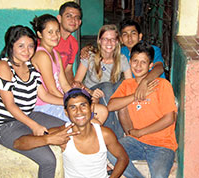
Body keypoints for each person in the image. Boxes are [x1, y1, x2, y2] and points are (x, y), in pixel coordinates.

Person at [0, 25, 80, 178]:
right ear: (11, 46)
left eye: (31, 46)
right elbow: (9, 105)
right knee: (48, 160)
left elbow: (44, 96)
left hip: (29, 115)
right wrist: (34, 126)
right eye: (21, 46)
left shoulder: (30, 66)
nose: (27, 50)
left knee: (71, 129)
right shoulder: (3, 66)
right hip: (6, 124)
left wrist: (69, 103)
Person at [14, 88, 129, 178]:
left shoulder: (104, 134)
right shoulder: (62, 133)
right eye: (72, 107)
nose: (79, 112)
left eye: (83, 105)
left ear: (91, 108)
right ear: (66, 113)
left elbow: (123, 158)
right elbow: (18, 143)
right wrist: (47, 139)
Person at [107, 42, 178, 178]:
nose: (138, 66)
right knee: (109, 149)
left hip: (162, 145)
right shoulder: (127, 85)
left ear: (150, 66)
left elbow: (169, 118)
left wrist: (140, 132)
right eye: (135, 61)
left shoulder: (162, 85)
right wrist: (135, 96)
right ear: (130, 62)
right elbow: (111, 106)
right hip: (135, 142)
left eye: (143, 62)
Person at [74, 24, 132, 139]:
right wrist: (90, 92)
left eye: (112, 39)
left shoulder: (122, 59)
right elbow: (76, 83)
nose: (109, 43)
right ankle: (116, 137)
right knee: (107, 86)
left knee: (119, 85)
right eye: (105, 39)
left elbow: (130, 83)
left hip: (108, 95)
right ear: (99, 41)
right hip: (91, 94)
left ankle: (118, 134)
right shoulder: (90, 57)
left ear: (117, 42)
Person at [55, 1, 82, 84]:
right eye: (68, 16)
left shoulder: (73, 43)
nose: (73, 20)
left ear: (79, 22)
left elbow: (68, 70)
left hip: (60, 84)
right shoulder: (49, 39)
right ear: (59, 18)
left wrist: (72, 89)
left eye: (77, 17)